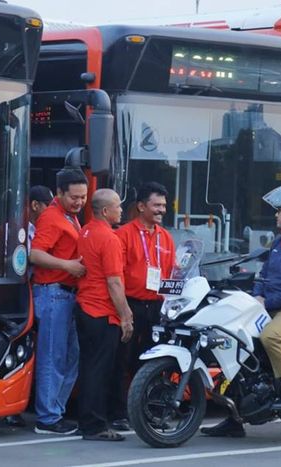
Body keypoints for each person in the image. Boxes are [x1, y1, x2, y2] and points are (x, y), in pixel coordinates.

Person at [202, 185, 281, 438]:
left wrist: (266, 302)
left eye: (280, 211)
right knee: (238, 344)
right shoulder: (280, 240)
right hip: (271, 302)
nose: (277, 215)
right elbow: (263, 273)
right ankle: (235, 417)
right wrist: (256, 294)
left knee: (271, 336)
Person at [29, 168, 88, 435]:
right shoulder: (52, 218)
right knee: (54, 357)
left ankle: (55, 412)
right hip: (54, 293)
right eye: (74, 197)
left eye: (84, 197)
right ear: (60, 193)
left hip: (65, 294)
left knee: (70, 356)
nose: (79, 202)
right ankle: (48, 418)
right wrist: (68, 265)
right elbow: (35, 255)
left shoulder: (69, 216)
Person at [113, 181, 176, 430]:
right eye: (156, 205)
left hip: (157, 309)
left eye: (164, 205)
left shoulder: (166, 237)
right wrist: (123, 311)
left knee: (153, 362)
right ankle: (118, 413)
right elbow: (115, 275)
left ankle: (150, 412)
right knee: (121, 361)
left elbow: (171, 273)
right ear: (141, 206)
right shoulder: (124, 234)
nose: (161, 210)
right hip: (130, 306)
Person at [76, 189, 134, 441]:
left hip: (85, 307)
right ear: (105, 211)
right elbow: (114, 283)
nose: (121, 210)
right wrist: (126, 315)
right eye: (118, 207)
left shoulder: (85, 231)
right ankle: (95, 425)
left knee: (90, 367)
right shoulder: (109, 239)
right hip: (102, 311)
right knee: (100, 370)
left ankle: (88, 421)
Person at [4, 185, 54, 428]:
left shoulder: (38, 229)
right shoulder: (15, 230)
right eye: (48, 207)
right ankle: (11, 406)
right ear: (35, 205)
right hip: (16, 295)